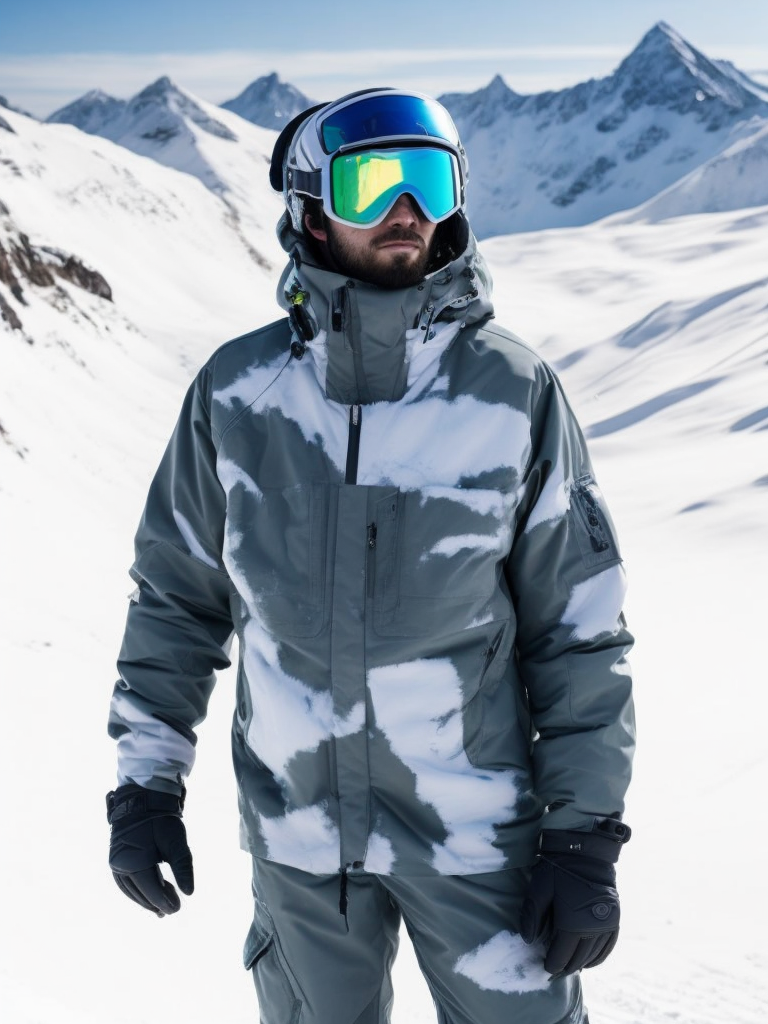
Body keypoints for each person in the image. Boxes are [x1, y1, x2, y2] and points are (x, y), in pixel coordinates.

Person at [107, 88, 635, 1024]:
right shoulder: (238, 394)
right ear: (312, 208)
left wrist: (584, 834)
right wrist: (145, 788)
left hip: (478, 842)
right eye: (373, 183)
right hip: (299, 844)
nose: (408, 210)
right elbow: (176, 602)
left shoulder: (512, 392)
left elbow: (579, 630)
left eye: (432, 181)